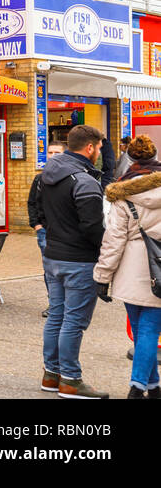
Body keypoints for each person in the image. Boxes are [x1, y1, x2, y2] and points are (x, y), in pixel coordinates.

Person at [41, 124, 109, 398]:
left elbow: (41, 211)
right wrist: (106, 249)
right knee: (74, 321)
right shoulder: (84, 180)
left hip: (53, 255)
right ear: (90, 148)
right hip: (79, 260)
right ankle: (70, 379)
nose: (101, 154)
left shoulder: (48, 174)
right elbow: (93, 226)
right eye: (100, 148)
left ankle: (51, 375)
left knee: (56, 316)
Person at [94, 135, 161, 398]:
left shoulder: (122, 194)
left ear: (130, 159)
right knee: (149, 330)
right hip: (160, 272)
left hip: (131, 269)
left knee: (140, 330)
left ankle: (137, 386)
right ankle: (151, 387)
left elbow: (113, 240)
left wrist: (102, 276)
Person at [29, 143, 65, 318]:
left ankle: (66, 303)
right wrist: (36, 225)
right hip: (45, 230)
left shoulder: (70, 177)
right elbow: (32, 203)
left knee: (65, 268)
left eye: (57, 152)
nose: (53, 155)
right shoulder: (39, 179)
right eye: (50, 152)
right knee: (49, 269)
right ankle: (55, 303)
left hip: (65, 232)